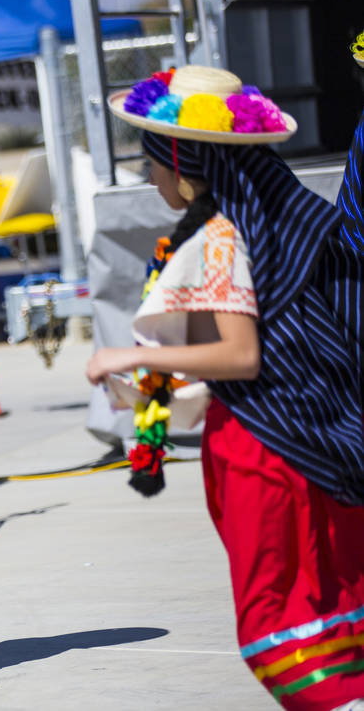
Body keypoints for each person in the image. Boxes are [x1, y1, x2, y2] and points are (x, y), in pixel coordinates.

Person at [87, 65, 364, 710]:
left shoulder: (221, 236)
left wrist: (122, 355)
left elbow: (240, 354)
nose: (149, 178)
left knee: (279, 630)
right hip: (311, 439)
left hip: (266, 452)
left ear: (182, 168)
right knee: (331, 617)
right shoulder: (278, 220)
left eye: (151, 163)